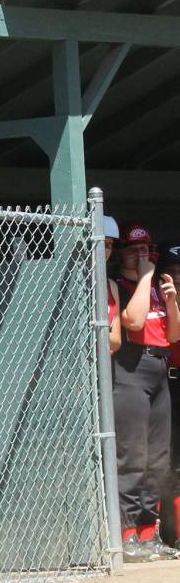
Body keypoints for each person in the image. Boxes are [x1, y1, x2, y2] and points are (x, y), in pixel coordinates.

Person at [112, 224, 180, 562]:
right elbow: (134, 323)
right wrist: (143, 278)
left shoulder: (155, 288)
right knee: (133, 456)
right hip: (130, 370)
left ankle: (148, 534)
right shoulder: (124, 286)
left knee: (158, 457)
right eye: (134, 249)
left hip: (159, 368)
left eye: (146, 250)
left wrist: (170, 300)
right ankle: (127, 537)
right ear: (122, 253)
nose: (142, 255)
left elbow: (173, 333)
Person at [158, 242, 180, 547]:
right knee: (170, 459)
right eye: (173, 271)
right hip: (167, 381)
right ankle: (172, 532)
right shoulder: (159, 299)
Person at [104, 215, 121, 355]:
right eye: (101, 243)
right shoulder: (73, 281)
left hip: (101, 364)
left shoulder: (111, 286)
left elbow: (116, 341)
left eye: (108, 244)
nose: (105, 250)